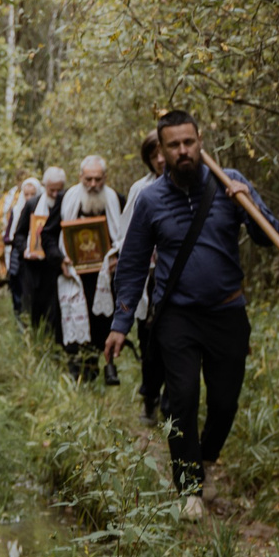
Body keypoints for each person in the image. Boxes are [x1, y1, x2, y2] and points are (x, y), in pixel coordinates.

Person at [104, 111, 277, 520]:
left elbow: (271, 236)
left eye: (189, 142)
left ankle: (207, 458)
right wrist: (119, 323)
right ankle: (189, 488)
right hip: (176, 316)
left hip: (227, 312)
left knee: (225, 402)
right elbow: (130, 266)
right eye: (173, 145)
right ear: (160, 152)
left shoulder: (229, 181)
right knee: (180, 400)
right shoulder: (148, 200)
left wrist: (248, 203)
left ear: (200, 141)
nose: (182, 151)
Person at [61, 156, 123, 383]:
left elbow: (130, 237)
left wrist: (120, 257)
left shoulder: (116, 200)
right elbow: (48, 236)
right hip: (74, 278)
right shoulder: (67, 199)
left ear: (105, 178)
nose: (93, 184)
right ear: (80, 177)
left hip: (107, 278)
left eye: (98, 179)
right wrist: (60, 259)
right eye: (89, 179)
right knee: (77, 320)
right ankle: (77, 371)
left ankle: (105, 367)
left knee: (103, 324)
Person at [122, 132, 167, 421]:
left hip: (181, 277)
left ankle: (174, 402)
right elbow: (128, 235)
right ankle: (150, 395)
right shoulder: (142, 190)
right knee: (150, 339)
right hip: (150, 277)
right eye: (154, 155)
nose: (161, 159)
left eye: (164, 152)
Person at [11, 167, 69, 344]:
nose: (55, 193)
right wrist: (25, 251)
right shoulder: (33, 204)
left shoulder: (68, 202)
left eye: (59, 189)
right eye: (51, 189)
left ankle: (54, 347)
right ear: (45, 186)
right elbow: (19, 235)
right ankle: (33, 346)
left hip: (56, 268)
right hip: (33, 269)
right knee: (33, 309)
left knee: (55, 311)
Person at [0, 173, 39, 318]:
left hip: (37, 257)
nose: (29, 198)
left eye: (33, 194)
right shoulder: (16, 210)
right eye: (26, 194)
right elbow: (9, 235)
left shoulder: (41, 208)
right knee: (18, 287)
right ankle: (19, 316)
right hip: (19, 255)